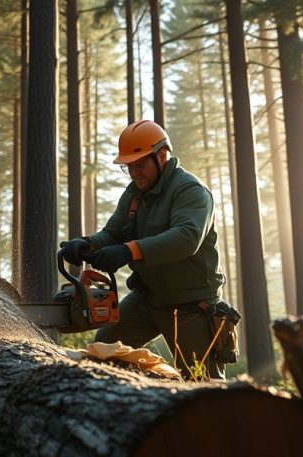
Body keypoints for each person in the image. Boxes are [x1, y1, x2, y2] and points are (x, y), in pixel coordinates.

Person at [59, 120, 227, 379]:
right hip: (147, 298)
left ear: (162, 155)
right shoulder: (134, 193)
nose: (135, 172)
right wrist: (88, 243)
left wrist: (129, 251)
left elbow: (187, 237)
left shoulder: (190, 190)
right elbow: (113, 232)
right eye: (129, 167)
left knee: (203, 381)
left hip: (191, 304)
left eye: (140, 164)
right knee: (104, 352)